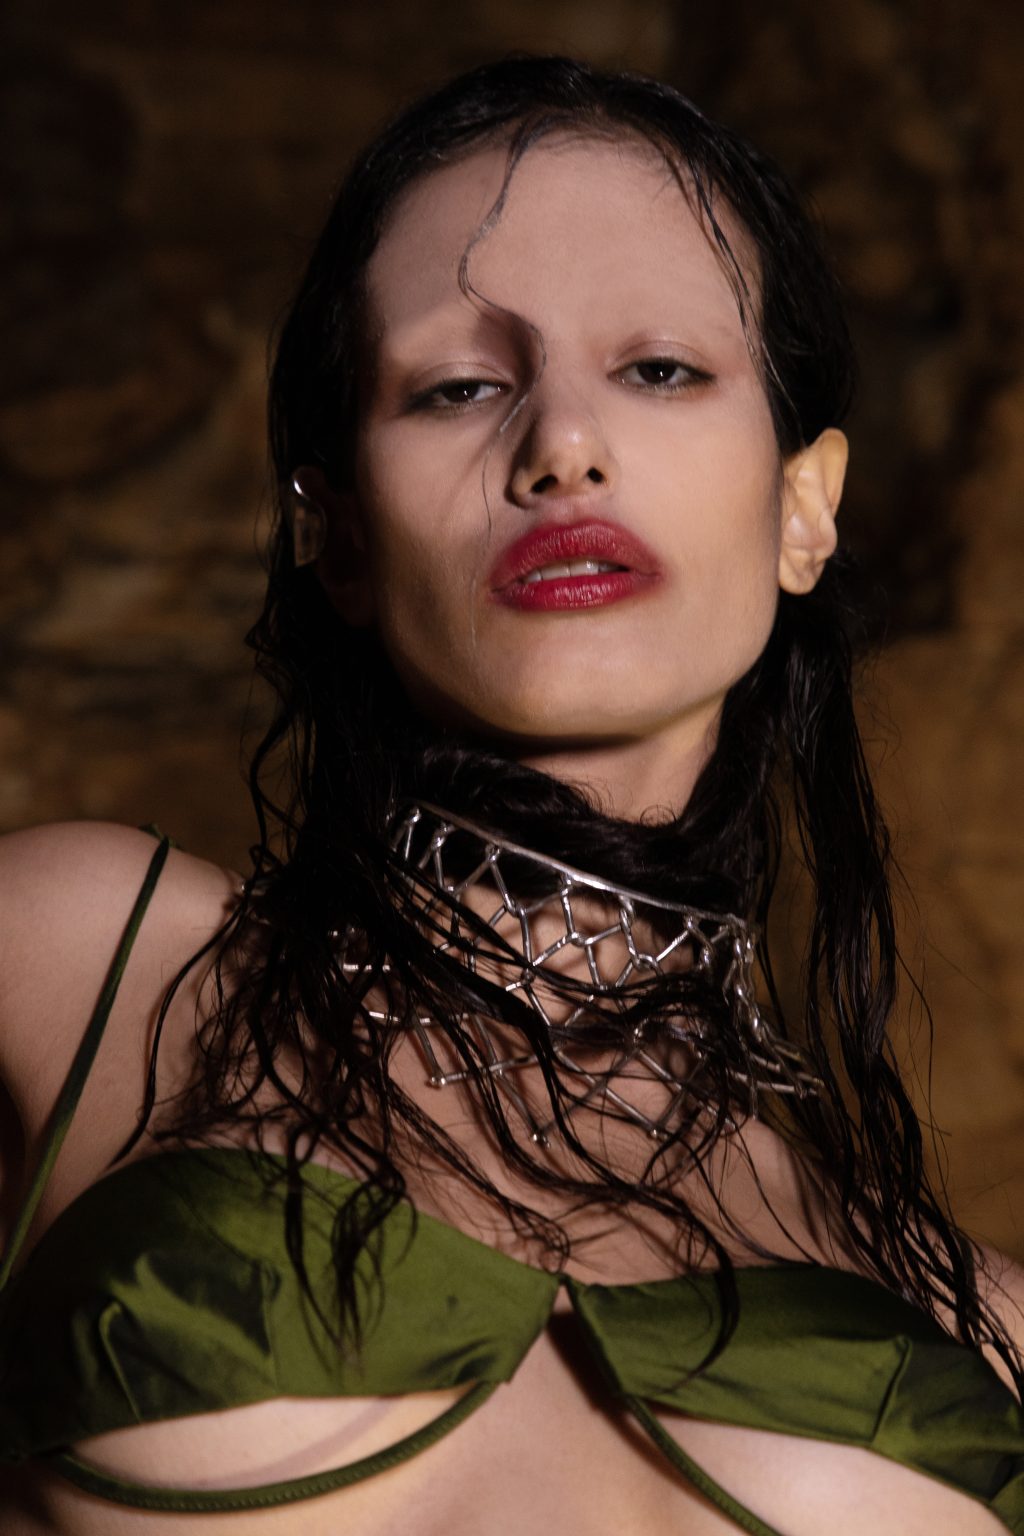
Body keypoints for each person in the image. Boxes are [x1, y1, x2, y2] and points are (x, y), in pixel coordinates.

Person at [0, 53, 1022, 1536]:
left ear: (804, 507)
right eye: (459, 386)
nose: (562, 446)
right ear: (340, 534)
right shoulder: (76, 964)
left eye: (660, 369)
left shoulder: (981, 1331)